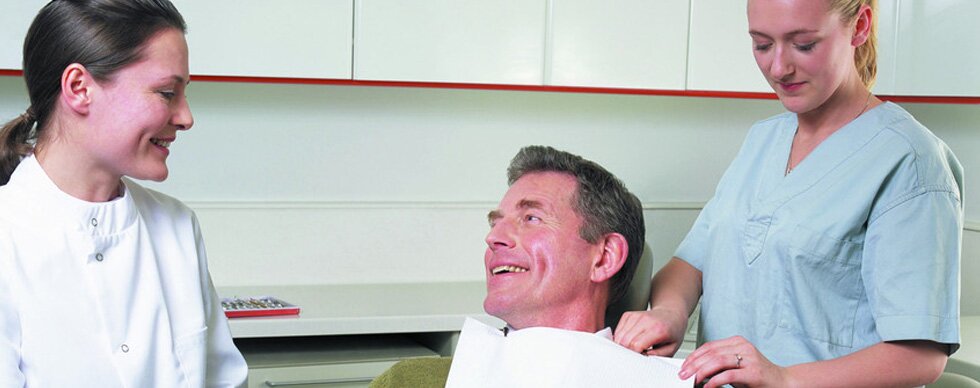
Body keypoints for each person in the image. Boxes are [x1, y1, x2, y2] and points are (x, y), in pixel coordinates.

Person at [614, 0, 963, 387]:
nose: (778, 68)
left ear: (859, 26)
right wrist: (669, 312)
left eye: (804, 44)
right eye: (762, 45)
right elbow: (692, 262)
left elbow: (920, 356)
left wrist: (784, 378)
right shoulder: (763, 140)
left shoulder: (910, 162)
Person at [0, 1, 248, 386]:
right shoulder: (7, 236)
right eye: (167, 93)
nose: (186, 117)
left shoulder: (178, 226)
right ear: (80, 89)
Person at [371, 145, 651, 387]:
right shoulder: (407, 382)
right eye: (496, 223)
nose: (493, 238)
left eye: (531, 218)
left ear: (605, 257)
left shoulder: (663, 383)